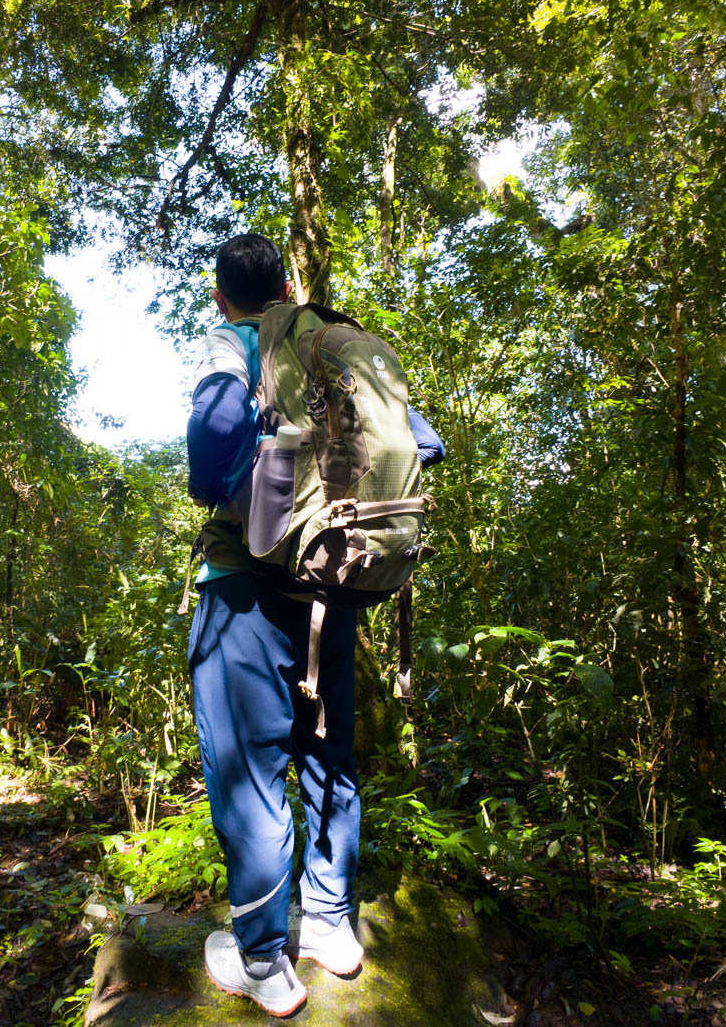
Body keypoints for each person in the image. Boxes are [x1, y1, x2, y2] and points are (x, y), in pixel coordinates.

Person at [185, 233, 444, 1016]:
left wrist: (228, 488)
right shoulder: (331, 343)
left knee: (250, 771)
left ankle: (263, 960)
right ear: (290, 287)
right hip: (332, 589)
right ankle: (330, 926)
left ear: (221, 296)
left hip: (246, 591)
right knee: (329, 756)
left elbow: (212, 437)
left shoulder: (234, 342)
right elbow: (424, 443)